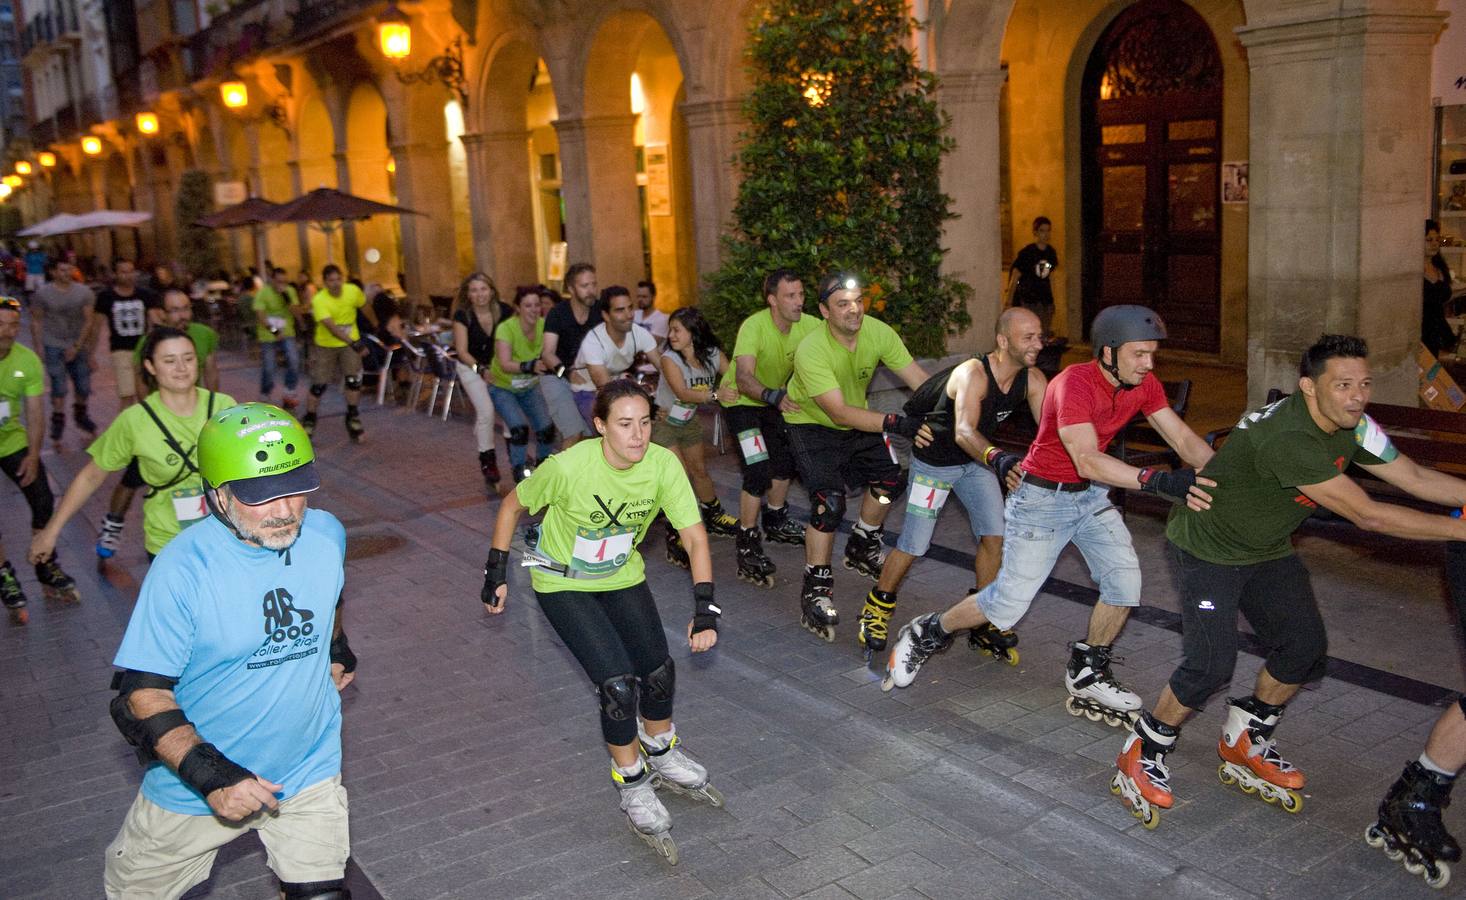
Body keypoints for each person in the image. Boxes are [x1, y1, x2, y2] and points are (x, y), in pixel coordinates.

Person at [1112, 334, 1466, 833]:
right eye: (1342, 385)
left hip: (1267, 547)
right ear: (1308, 387)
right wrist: (1459, 528)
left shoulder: (1356, 425)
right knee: (1211, 665)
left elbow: (1413, 477)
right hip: (1209, 548)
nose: (1356, 396)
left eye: (1363, 384)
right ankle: (1144, 747)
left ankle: (1246, 737)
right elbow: (1368, 515)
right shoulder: (1290, 437)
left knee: (1304, 649)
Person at [883, 306, 1215, 727]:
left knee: (1125, 582)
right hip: (1042, 500)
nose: (1149, 364)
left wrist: (1226, 478)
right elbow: (1087, 459)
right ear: (1109, 353)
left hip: (1090, 499)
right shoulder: (1073, 383)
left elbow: (1182, 438)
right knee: (1005, 604)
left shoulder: (1143, 385)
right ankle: (929, 630)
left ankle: (1088, 669)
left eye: (1153, 354)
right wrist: (1159, 482)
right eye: (1140, 354)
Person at [101, 402, 357, 899]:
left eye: (294, 490)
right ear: (218, 496)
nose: (285, 511)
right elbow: (141, 696)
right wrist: (213, 776)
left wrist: (337, 648)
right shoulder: (183, 568)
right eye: (262, 497)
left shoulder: (326, 534)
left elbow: (330, 595)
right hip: (195, 788)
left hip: (308, 764)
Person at [480, 379, 722, 864]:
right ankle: (632, 784)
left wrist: (704, 607)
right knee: (617, 686)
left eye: (646, 423)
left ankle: (661, 747)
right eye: (625, 425)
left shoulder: (661, 464)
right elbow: (512, 505)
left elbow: (695, 537)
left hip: (619, 573)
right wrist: (496, 572)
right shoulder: (570, 466)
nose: (638, 436)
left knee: (658, 669)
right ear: (600, 426)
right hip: (562, 580)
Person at [856, 307, 1047, 660]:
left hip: (975, 464)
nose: (1038, 343)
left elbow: (1051, 432)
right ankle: (876, 608)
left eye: (1039, 336)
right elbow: (963, 432)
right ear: (1003, 341)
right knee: (914, 544)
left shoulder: (1032, 380)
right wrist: (1000, 459)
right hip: (936, 466)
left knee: (995, 537)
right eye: (1028, 337)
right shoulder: (973, 373)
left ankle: (982, 619)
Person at [784, 272, 931, 641]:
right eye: (843, 304)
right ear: (824, 311)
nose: (854, 310)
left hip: (857, 419)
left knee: (889, 481)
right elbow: (837, 413)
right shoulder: (811, 348)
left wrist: (953, 405)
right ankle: (816, 587)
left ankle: (864, 541)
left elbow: (922, 383)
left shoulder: (878, 332)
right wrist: (898, 422)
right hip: (810, 424)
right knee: (828, 504)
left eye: (858, 301)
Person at [33, 327, 236, 565]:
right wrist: (51, 531)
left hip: (226, 537)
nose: (181, 368)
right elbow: (91, 476)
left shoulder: (224, 407)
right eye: (169, 361)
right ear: (150, 367)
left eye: (188, 358)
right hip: (169, 544)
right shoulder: (135, 420)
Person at [95, 290, 223, 559]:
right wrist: (158, 425)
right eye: (175, 310)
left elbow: (212, 373)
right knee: (131, 478)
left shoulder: (203, 334)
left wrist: (215, 420)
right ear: (162, 313)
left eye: (186, 308)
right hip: (161, 430)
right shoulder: (148, 343)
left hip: (199, 421)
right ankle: (113, 523)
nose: (182, 315)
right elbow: (142, 390)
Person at [718, 270, 819, 585]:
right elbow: (745, 376)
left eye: (801, 294)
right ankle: (747, 542)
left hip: (774, 402)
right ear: (772, 300)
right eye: (791, 296)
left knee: (786, 462)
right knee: (758, 469)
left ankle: (775, 519)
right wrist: (772, 395)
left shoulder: (810, 325)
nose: (798, 302)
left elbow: (839, 340)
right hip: (743, 403)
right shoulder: (754, 326)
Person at [0, 296, 78, 621]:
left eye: (12, 326)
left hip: (12, 441)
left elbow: (35, 411)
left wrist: (33, 455)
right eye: (1, 325)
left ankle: (45, 563)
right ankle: (5, 575)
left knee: (43, 498)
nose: (6, 332)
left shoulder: (27, 360)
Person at [652, 308, 740, 570]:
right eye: (670, 329)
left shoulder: (712, 354)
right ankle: (675, 532)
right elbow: (682, 392)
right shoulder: (670, 359)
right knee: (678, 477)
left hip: (688, 421)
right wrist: (717, 396)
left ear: (693, 331)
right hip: (664, 423)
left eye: (677, 329)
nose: (671, 335)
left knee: (700, 471)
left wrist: (734, 388)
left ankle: (713, 515)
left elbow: (734, 375)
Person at [489, 286, 555, 484]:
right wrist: (530, 365)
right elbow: (505, 363)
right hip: (503, 387)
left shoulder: (544, 325)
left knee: (546, 430)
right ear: (518, 308)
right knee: (518, 429)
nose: (534, 309)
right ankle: (520, 476)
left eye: (537, 305)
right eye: (528, 305)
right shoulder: (506, 328)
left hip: (529, 386)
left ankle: (542, 472)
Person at [29, 259, 99, 449]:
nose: (66, 273)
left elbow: (89, 321)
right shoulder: (42, 294)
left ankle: (81, 415)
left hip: (78, 344)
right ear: (53, 272)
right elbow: (36, 321)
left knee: (83, 386)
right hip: (53, 344)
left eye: (69, 269)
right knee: (59, 387)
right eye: (62, 269)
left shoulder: (84, 292)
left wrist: (79, 347)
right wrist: (38, 347)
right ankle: (58, 423)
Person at [450, 273, 512, 488]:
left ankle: (517, 456)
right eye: (474, 290)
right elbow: (462, 350)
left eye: (483, 289)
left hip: (500, 368)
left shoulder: (505, 311)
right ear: (468, 294)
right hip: (471, 368)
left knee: (508, 410)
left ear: (492, 291)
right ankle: (488, 461)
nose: (480, 295)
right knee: (486, 411)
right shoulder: (463, 316)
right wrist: (481, 369)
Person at [569, 285, 661, 423]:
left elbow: (664, 366)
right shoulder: (594, 341)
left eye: (630, 308)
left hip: (617, 385)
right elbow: (605, 387)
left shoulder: (638, 333)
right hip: (588, 389)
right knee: (614, 424)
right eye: (620, 310)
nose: (629, 315)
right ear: (606, 315)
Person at [303, 264, 367, 442]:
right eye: (331, 280)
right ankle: (310, 418)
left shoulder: (352, 291)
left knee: (353, 381)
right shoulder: (319, 300)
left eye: (339, 279)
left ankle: (353, 416)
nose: (336, 283)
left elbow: (363, 305)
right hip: (327, 344)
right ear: (324, 283)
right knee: (319, 385)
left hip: (349, 343)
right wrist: (355, 343)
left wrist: (372, 331)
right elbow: (331, 328)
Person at [540, 262, 601, 447]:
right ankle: (560, 476)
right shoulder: (557, 314)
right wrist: (567, 373)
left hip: (589, 377)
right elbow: (548, 353)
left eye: (593, 284)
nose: (591, 290)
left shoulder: (600, 311)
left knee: (593, 436)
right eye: (584, 286)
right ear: (571, 289)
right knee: (574, 434)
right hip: (557, 376)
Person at [93, 258, 158, 411]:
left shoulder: (145, 295)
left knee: (146, 394)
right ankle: (124, 432)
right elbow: (96, 325)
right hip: (120, 349)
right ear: (115, 274)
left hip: (143, 349)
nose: (128, 276)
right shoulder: (106, 297)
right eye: (123, 272)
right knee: (127, 394)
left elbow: (155, 319)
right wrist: (91, 353)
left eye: (131, 271)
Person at [254, 267, 305, 410]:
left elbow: (296, 311)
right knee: (269, 365)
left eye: (284, 282)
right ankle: (265, 391)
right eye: (278, 282)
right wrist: (274, 331)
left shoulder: (290, 291)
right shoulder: (263, 293)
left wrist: (287, 299)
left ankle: (289, 390)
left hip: (287, 331)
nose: (281, 285)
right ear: (272, 280)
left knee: (293, 359)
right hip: (268, 333)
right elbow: (260, 315)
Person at [1006, 216, 1058, 338]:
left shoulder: (1051, 253)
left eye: (1048, 230)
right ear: (1035, 232)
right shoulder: (1027, 253)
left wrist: (1054, 299)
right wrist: (1009, 301)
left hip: (1045, 298)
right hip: (1030, 298)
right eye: (1042, 231)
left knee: (1044, 332)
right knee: (1031, 331)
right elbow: (1015, 276)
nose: (1045, 234)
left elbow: (1051, 277)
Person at [1423, 220, 1456, 359]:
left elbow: (1444, 296)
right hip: (1422, 333)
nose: (1435, 243)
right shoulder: (1412, 272)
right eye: (1429, 240)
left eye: (1437, 239)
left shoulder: (1440, 268)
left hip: (1438, 332)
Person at [634, 280, 669, 348]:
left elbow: (651, 343)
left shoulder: (661, 319)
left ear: (653, 297)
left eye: (644, 297)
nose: (640, 299)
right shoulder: (633, 315)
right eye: (638, 296)